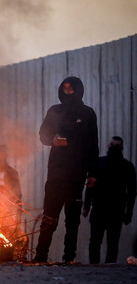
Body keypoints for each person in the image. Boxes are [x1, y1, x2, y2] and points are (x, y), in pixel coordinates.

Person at [33, 76, 98, 263]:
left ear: (78, 90)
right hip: (55, 174)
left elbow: (93, 145)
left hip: (77, 174)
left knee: (72, 220)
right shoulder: (54, 111)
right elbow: (43, 134)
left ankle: (69, 258)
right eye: (65, 88)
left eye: (71, 88)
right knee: (49, 218)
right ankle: (40, 256)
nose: (67, 91)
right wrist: (52, 139)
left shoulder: (87, 114)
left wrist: (92, 173)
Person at [83, 136, 136, 264]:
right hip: (99, 208)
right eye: (112, 145)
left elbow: (132, 192)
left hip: (116, 210)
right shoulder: (98, 163)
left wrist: (128, 213)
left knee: (112, 243)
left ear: (122, 148)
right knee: (95, 242)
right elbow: (90, 186)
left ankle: (109, 268)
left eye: (117, 145)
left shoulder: (127, 167)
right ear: (108, 146)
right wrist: (86, 206)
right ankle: (94, 266)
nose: (114, 148)